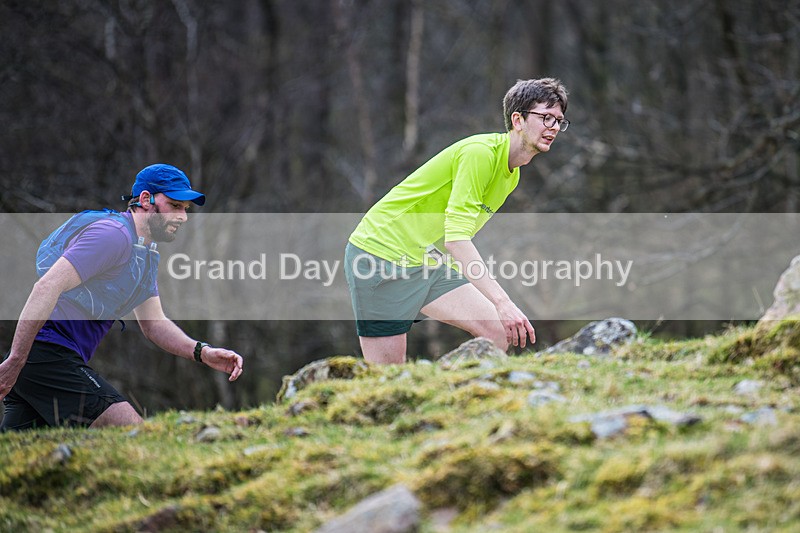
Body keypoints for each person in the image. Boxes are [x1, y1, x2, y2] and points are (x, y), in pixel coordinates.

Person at [0, 164, 244, 431]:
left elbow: (154, 324)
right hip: (46, 356)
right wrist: (16, 359)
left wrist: (203, 352)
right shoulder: (112, 236)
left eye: (186, 208)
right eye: (175, 205)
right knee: (132, 431)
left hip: (44, 363)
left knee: (21, 461)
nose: (183, 216)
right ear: (145, 200)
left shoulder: (145, 255)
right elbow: (46, 287)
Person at [345, 78, 569, 364]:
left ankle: (457, 399)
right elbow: (457, 239)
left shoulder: (512, 174)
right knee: (387, 378)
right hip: (380, 254)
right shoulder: (480, 154)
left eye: (559, 121)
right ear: (518, 120)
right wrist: (503, 301)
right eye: (545, 117)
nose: (552, 127)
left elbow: (451, 237)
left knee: (497, 331)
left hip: (424, 261)